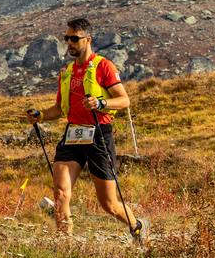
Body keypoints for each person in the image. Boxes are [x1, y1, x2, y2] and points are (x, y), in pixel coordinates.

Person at [25, 18, 148, 244]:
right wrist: (40, 116)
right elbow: (59, 109)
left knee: (109, 203)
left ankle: (136, 225)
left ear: (88, 40)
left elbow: (124, 100)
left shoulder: (104, 66)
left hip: (99, 134)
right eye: (67, 39)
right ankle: (65, 243)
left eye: (74, 39)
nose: (69, 43)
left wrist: (101, 103)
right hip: (72, 135)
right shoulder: (67, 71)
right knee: (60, 193)